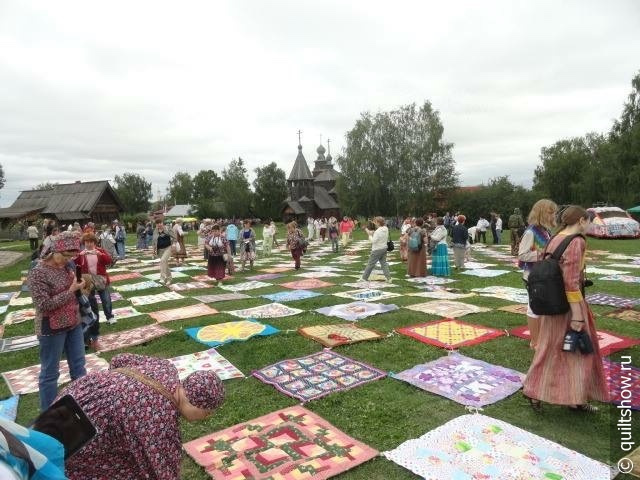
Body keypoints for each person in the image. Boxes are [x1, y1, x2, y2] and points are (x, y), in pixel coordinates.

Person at [59, 353, 224, 480]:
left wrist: (115, 392)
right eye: (207, 412)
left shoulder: (165, 367)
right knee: (129, 469)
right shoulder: (158, 419)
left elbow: (119, 359)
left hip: (72, 399)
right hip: (79, 434)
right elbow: (163, 471)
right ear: (195, 402)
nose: (206, 417)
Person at [522, 206, 608, 413]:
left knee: (550, 348)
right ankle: (561, 395)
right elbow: (570, 282)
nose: (589, 226)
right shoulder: (576, 241)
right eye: (588, 222)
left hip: (553, 304)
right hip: (569, 307)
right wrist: (578, 316)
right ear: (581, 221)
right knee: (578, 352)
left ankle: (568, 396)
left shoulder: (555, 237)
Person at [27, 231, 87, 411]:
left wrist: (79, 285)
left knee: (79, 368)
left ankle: (83, 405)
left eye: (72, 256)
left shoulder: (67, 265)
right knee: (50, 373)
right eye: (66, 255)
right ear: (55, 251)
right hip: (51, 328)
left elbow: (73, 289)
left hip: (73, 323)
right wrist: (70, 290)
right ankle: (49, 414)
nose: (69, 259)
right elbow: (43, 305)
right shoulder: (38, 272)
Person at [518, 199, 558, 349]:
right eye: (551, 212)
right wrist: (543, 254)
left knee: (542, 307)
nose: (554, 215)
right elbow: (522, 255)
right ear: (542, 213)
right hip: (534, 276)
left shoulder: (545, 231)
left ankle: (541, 338)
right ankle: (534, 341)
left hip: (544, 275)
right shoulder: (530, 232)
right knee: (534, 307)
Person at [76, 233, 116, 329]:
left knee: (106, 299)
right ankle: (93, 318)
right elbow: (75, 264)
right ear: (84, 243)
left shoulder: (100, 251)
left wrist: (100, 254)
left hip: (101, 279)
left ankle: (110, 317)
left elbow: (109, 261)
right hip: (88, 280)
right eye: (87, 242)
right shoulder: (81, 253)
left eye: (91, 242)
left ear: (95, 242)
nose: (89, 244)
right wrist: (79, 256)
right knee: (90, 300)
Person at [359, 216, 392, 282]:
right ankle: (389, 278)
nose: (375, 223)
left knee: (370, 264)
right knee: (384, 264)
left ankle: (364, 278)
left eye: (376, 222)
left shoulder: (378, 231)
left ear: (379, 223)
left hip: (377, 249)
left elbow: (373, 241)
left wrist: (370, 236)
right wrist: (366, 229)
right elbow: (374, 232)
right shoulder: (386, 228)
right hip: (384, 249)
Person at [152, 220, 175, 286]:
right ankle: (169, 279)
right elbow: (154, 241)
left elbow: (174, 237)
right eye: (157, 223)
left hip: (168, 248)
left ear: (162, 223)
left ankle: (162, 277)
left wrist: (174, 244)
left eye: (160, 223)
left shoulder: (168, 228)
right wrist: (153, 250)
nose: (159, 224)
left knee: (162, 260)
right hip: (159, 250)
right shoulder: (155, 231)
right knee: (165, 264)